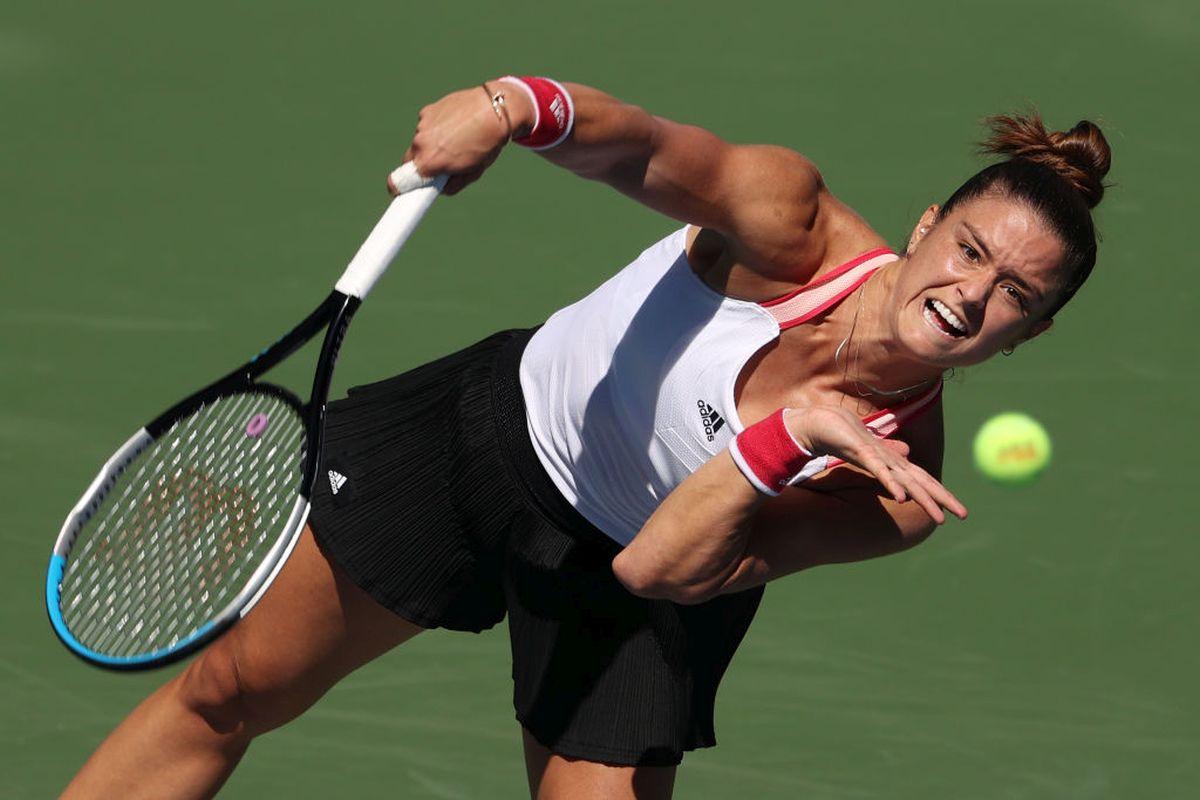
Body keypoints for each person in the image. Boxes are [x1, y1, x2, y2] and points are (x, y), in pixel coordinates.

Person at [62, 76, 1110, 799]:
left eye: (1014, 292)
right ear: (927, 224)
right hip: (487, 437)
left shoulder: (893, 491)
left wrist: (787, 438)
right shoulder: (790, 223)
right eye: (969, 249)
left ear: (1038, 327)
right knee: (231, 689)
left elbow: (656, 564)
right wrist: (520, 104)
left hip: (628, 585)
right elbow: (647, 149)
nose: (971, 294)